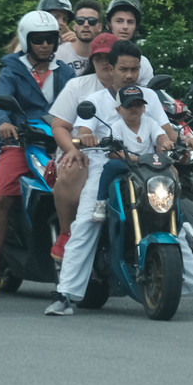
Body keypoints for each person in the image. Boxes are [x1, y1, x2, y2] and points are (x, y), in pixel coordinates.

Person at [45, 40, 193, 316]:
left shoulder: (149, 97)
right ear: (111, 68)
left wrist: (185, 142)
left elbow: (165, 132)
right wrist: (85, 137)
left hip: (148, 169)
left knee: (172, 223)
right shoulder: (95, 100)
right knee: (87, 221)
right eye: (124, 69)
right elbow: (82, 130)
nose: (130, 74)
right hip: (105, 166)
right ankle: (66, 295)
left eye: (134, 69)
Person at [0, 10, 76, 298]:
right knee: (0, 199)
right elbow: (0, 102)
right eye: (38, 39)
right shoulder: (12, 69)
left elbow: (77, 104)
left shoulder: (66, 72)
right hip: (20, 143)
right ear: (26, 40)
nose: (45, 44)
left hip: (58, 144)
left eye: (50, 39)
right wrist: (4, 122)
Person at [48, 32, 118, 261]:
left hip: (122, 155)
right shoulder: (77, 86)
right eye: (99, 58)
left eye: (110, 57)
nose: (105, 63)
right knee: (71, 168)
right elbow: (59, 126)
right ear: (92, 61)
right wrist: (72, 150)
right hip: (83, 152)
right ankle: (67, 233)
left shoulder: (133, 88)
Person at [83, 85, 170, 221]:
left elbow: (160, 135)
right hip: (128, 164)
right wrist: (134, 159)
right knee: (110, 166)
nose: (134, 109)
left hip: (150, 165)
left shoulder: (150, 122)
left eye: (138, 104)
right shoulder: (116, 127)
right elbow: (113, 152)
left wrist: (165, 142)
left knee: (171, 171)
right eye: (129, 106)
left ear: (144, 108)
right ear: (119, 110)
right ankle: (101, 202)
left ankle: (174, 205)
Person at [104, 0, 153, 86]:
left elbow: (149, 96)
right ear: (108, 25)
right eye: (119, 21)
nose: (125, 27)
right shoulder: (98, 57)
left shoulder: (143, 63)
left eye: (130, 22)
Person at [54, 0, 103, 74]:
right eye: (80, 20)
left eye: (92, 21)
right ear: (74, 26)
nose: (86, 25)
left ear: (100, 27)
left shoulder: (105, 55)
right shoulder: (58, 54)